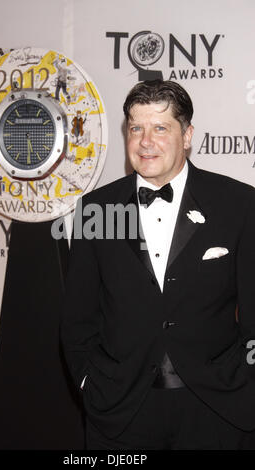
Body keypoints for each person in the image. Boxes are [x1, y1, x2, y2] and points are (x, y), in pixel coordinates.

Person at [60, 79, 255, 450]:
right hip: (121, 410)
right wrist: (87, 381)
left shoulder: (239, 205)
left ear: (188, 136)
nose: (145, 141)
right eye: (136, 127)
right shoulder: (95, 210)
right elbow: (77, 317)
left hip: (216, 407)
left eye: (160, 128)